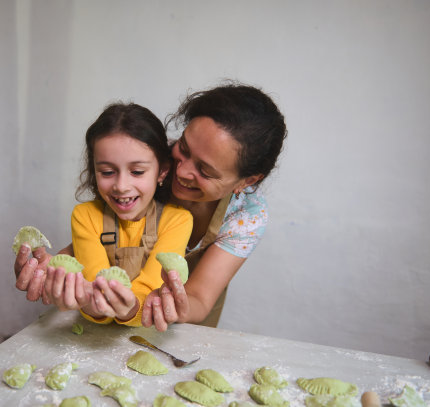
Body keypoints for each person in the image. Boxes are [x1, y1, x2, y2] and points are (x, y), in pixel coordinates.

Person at [15, 82, 287, 332]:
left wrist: (154, 305)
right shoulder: (148, 164)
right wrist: (52, 269)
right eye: (184, 147)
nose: (181, 170)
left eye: (204, 170)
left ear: (247, 181)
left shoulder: (246, 216)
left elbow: (200, 298)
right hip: (101, 317)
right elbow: (100, 229)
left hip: (178, 327)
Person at [16, 103, 193, 327]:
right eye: (108, 172)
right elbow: (93, 282)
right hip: (93, 334)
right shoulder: (85, 216)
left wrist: (130, 309)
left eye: (137, 172)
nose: (121, 186)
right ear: (94, 171)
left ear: (163, 171)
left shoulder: (177, 221)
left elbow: (150, 291)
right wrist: (88, 300)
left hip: (152, 332)